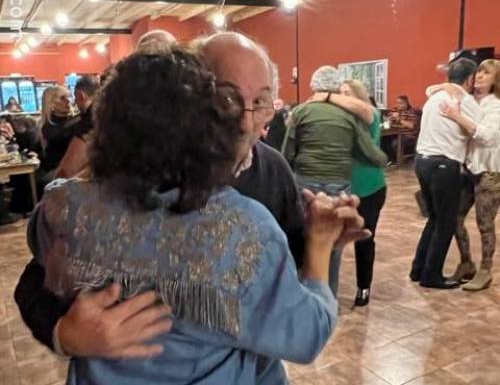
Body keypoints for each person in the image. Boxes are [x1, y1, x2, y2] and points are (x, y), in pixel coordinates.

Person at [15, 31, 368, 363]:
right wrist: (65, 336)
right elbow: (36, 282)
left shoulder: (272, 168)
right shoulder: (243, 221)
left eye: (261, 100)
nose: (246, 121)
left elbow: (280, 274)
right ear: (189, 99)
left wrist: (320, 240)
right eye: (228, 97)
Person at [282, 66, 387, 296]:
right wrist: (381, 159)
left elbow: (288, 151)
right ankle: (329, 297)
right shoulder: (348, 114)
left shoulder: (301, 111)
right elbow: (368, 150)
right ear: (337, 87)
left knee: (301, 235)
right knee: (334, 240)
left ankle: (300, 294)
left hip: (305, 182)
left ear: (313, 85)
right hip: (339, 183)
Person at [410, 57, 481, 289]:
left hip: (422, 162)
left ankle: (418, 269)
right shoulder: (464, 100)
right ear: (470, 79)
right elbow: (481, 130)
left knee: (434, 218)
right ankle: (431, 276)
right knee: (446, 223)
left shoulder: (435, 96)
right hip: (443, 165)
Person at [438, 58, 500, 290]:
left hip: (491, 171)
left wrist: (458, 116)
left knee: (485, 224)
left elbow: (488, 136)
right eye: (479, 72)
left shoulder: (496, 105)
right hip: (469, 169)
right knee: (454, 218)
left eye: (486, 73)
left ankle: (485, 270)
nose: (480, 76)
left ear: (496, 79)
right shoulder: (471, 100)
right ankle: (466, 262)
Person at [340, 80, 387, 306]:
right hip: (344, 188)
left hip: (370, 187)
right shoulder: (340, 121)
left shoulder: (371, 115)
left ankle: (364, 286)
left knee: (364, 237)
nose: (343, 98)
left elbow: (367, 113)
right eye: (340, 94)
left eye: (347, 94)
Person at [53, 75, 100, 179]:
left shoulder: (89, 119)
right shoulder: (113, 112)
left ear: (80, 95)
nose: (71, 102)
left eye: (73, 97)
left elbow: (66, 172)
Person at [38, 86, 80, 187]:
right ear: (51, 104)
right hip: (57, 170)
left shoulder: (73, 121)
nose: (68, 101)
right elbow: (62, 133)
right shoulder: (49, 127)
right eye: (62, 98)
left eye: (68, 97)